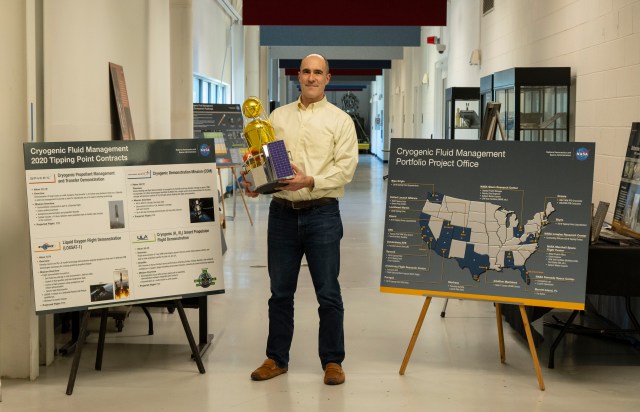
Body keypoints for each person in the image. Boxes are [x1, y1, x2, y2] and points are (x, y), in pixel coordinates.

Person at [244, 54, 358, 385]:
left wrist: (309, 181)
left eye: (317, 72)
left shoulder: (340, 121)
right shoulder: (276, 118)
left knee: (328, 292)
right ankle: (276, 358)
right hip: (281, 215)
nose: (311, 77)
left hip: (322, 213)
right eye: (306, 71)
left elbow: (345, 169)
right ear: (299, 76)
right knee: (280, 292)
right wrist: (257, 182)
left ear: (327, 78)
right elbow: (272, 163)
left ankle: (333, 361)